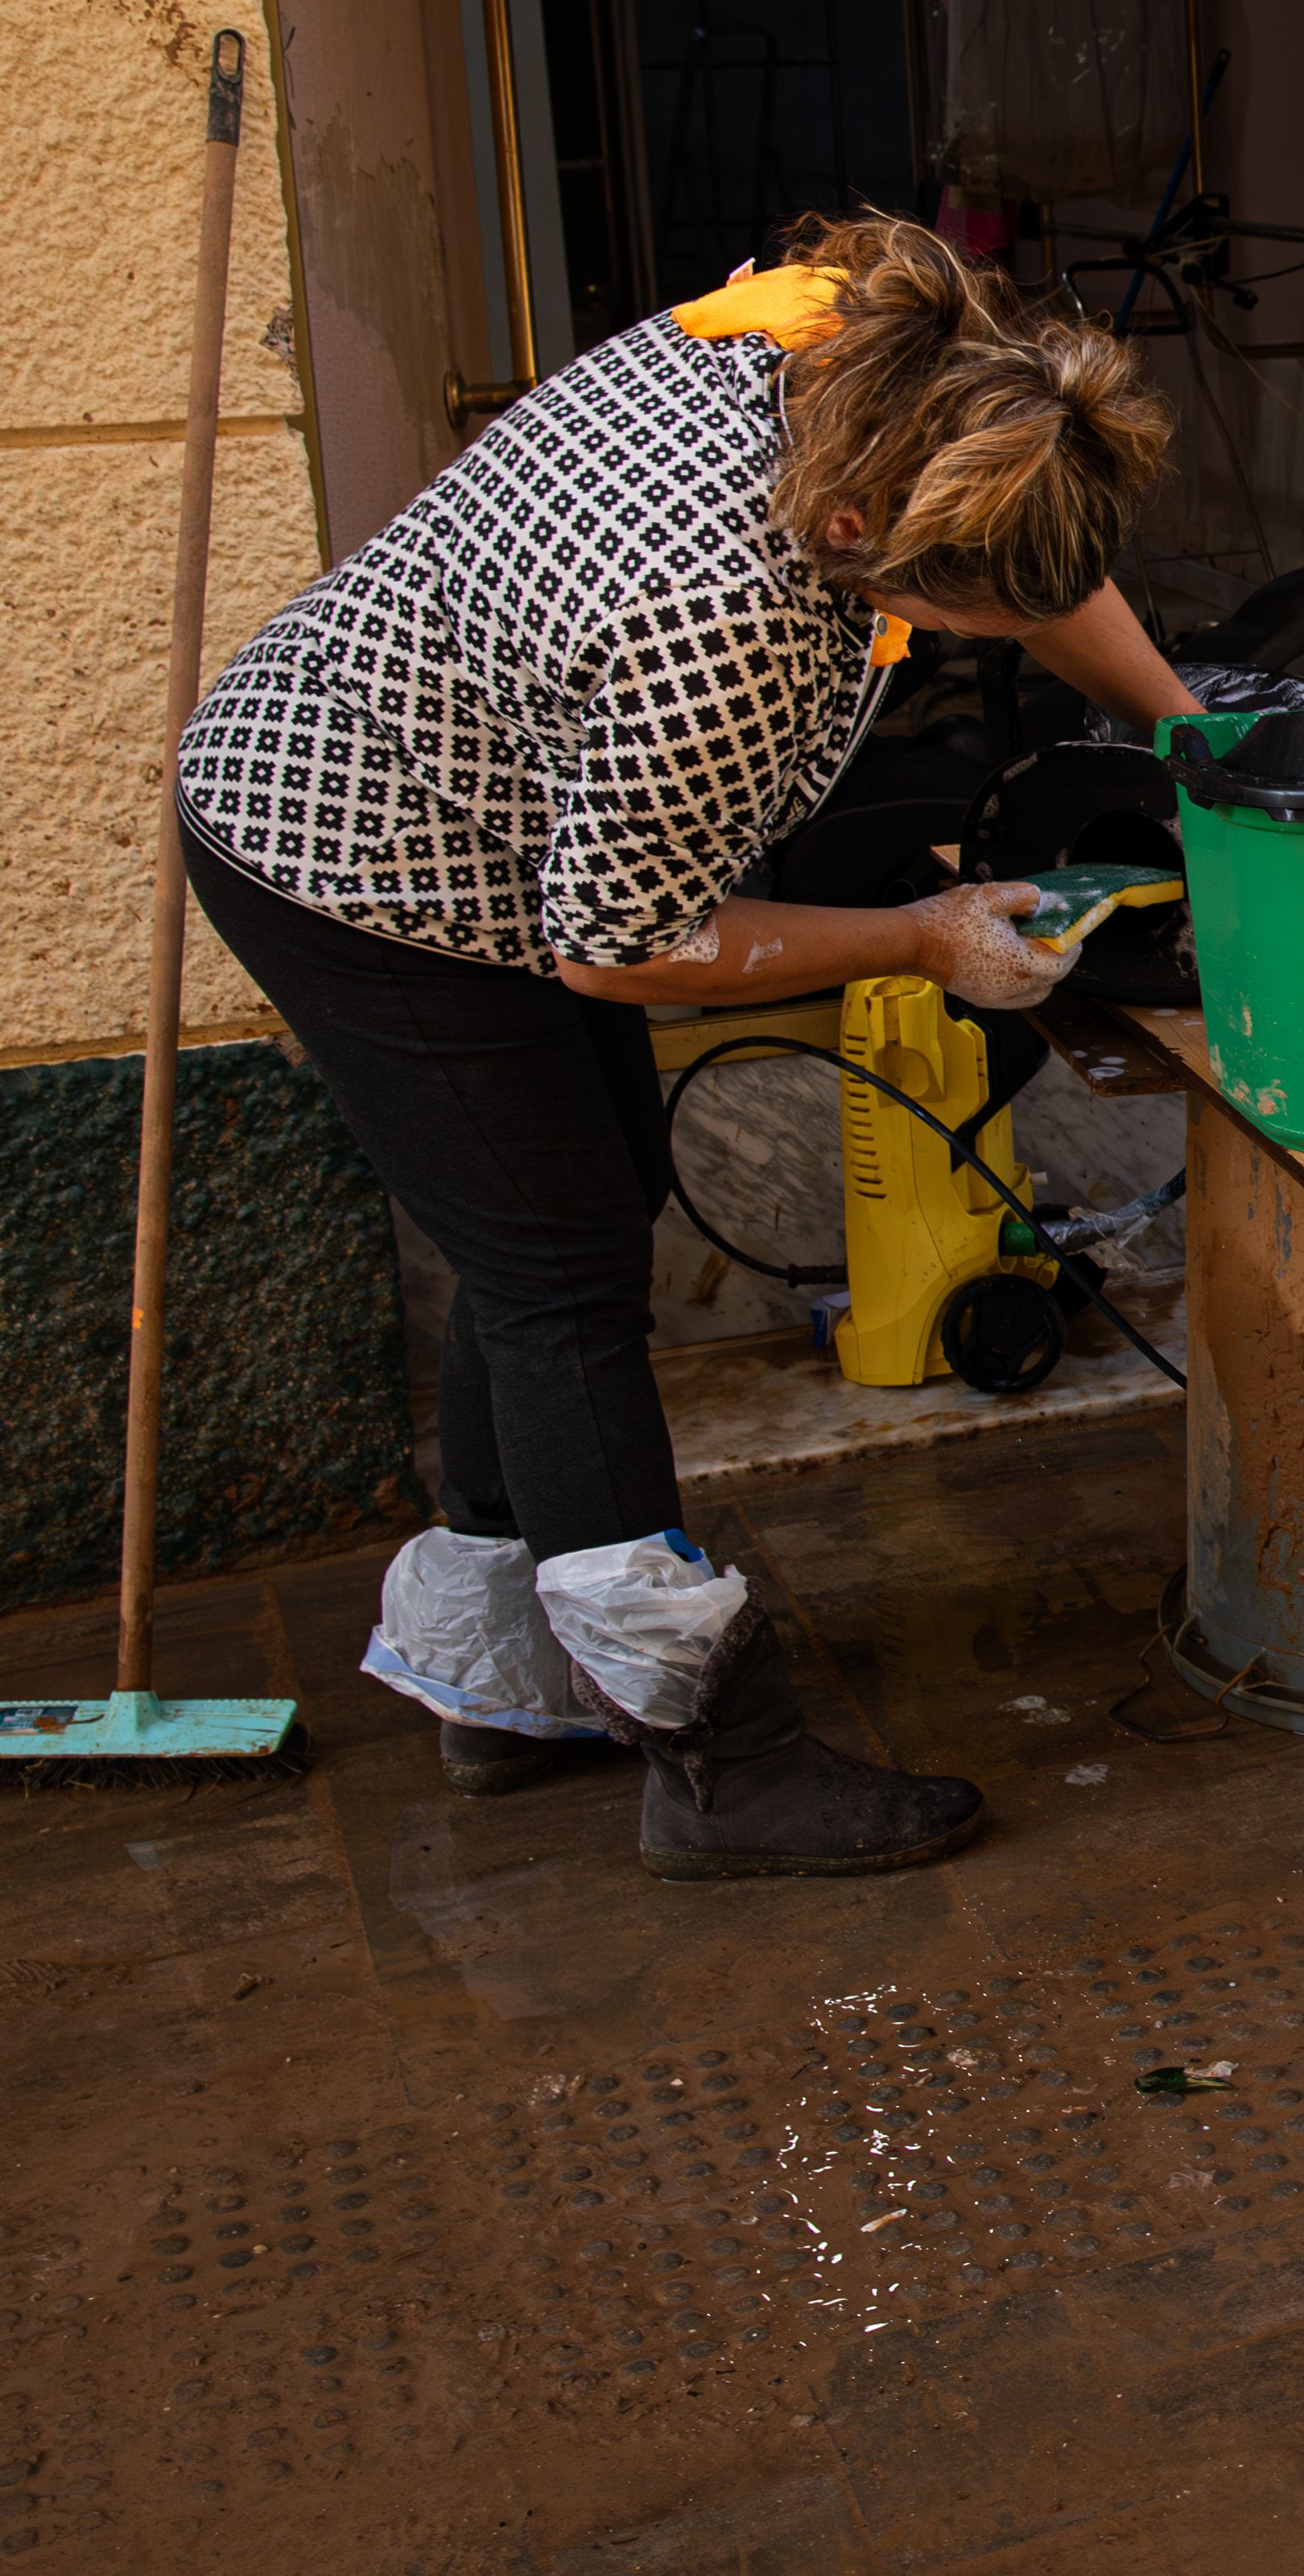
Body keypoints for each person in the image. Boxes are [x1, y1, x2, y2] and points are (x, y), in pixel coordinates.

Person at [175, 213, 1187, 1879]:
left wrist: (1185, 722)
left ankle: (500, 1687)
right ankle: (720, 1765)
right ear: (859, 530)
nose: (973, 645)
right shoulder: (712, 622)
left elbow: (1031, 554)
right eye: (956, 619)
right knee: (562, 1273)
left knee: (561, 1221)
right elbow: (622, 951)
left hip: (473, 802)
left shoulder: (858, 339)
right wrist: (927, 939)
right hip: (354, 863)